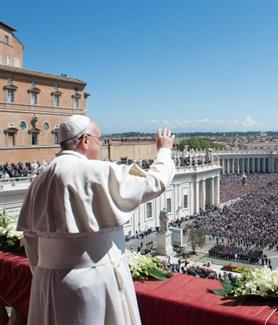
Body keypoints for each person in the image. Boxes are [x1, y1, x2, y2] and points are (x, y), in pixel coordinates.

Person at [17, 115, 176, 325]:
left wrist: (45, 271)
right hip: (93, 283)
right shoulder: (96, 171)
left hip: (47, 283)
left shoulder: (39, 179)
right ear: (85, 140)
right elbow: (153, 183)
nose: (99, 146)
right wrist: (164, 150)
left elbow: (30, 237)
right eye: (98, 140)